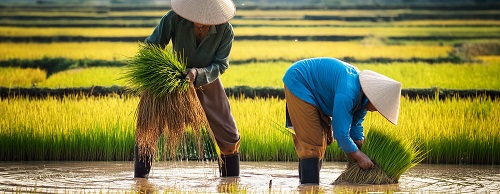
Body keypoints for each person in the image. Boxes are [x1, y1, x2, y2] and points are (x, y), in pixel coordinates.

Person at [134, 0, 240, 178]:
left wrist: (197, 74)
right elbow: (152, 46)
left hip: (207, 80)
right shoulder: (174, 19)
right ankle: (140, 182)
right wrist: (160, 69)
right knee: (148, 129)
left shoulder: (225, 30)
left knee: (229, 135)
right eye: (195, 16)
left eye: (204, 18)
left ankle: (231, 183)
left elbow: (220, 65)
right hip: (173, 79)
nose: (198, 21)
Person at [282, 57, 402, 184]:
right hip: (300, 81)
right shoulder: (348, 92)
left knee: (323, 140)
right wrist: (359, 156)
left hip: (315, 91)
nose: (376, 110)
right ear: (373, 99)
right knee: (313, 143)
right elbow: (340, 133)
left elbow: (355, 126)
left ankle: (308, 183)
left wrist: (360, 146)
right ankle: (309, 187)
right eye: (378, 107)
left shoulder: (362, 100)